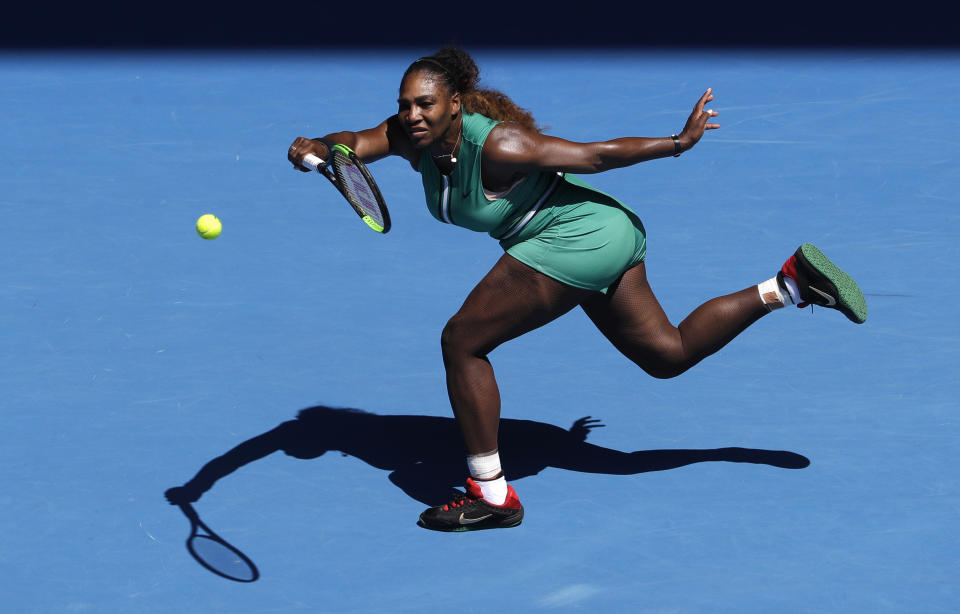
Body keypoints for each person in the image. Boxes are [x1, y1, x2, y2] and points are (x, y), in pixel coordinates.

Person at [287, 47, 866, 532]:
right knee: (668, 355)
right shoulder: (410, 137)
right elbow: (353, 144)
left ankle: (490, 496)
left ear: (455, 104)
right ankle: (789, 284)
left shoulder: (499, 146)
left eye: (425, 104)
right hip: (604, 232)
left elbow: (595, 154)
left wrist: (678, 142)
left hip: (572, 238)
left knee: (462, 341)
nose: (412, 115)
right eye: (405, 105)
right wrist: (319, 146)